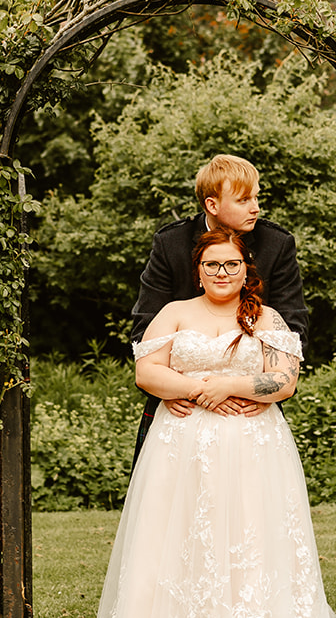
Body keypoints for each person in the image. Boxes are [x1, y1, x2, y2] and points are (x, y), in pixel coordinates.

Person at [92, 227, 336, 618]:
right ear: (198, 271)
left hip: (252, 448)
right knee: (176, 541)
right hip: (180, 450)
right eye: (212, 264)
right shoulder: (174, 312)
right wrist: (201, 388)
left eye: (231, 264)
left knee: (249, 540)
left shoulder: (266, 317)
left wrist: (229, 386)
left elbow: (283, 382)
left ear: (247, 269)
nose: (221, 272)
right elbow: (147, 372)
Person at [129, 155, 308, 462]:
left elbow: (293, 326)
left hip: (248, 407)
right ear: (212, 205)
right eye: (244, 200)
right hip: (181, 407)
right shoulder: (171, 243)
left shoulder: (276, 244)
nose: (255, 208)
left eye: (256, 198)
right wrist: (177, 389)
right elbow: (145, 327)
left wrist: (256, 390)